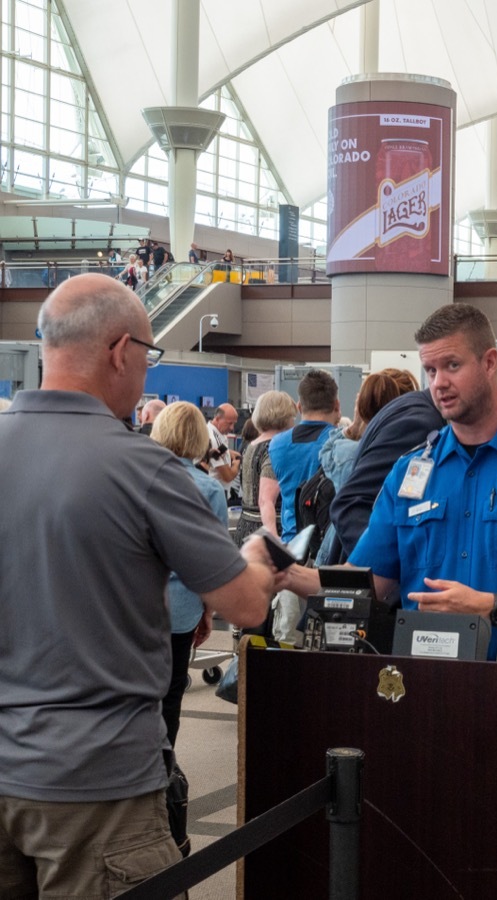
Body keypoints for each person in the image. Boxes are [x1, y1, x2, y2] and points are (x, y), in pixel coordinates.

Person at [0, 274, 277, 895]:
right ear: (121, 351)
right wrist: (261, 555)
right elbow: (244, 604)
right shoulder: (142, 466)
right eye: (149, 355)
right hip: (98, 784)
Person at [282, 303, 497, 656]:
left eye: (452, 366)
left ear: (489, 363)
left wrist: (493, 605)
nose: (439, 383)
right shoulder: (410, 472)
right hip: (423, 683)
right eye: (430, 370)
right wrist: (288, 575)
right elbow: (371, 582)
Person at [150, 401, 229, 748]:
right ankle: (162, 779)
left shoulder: (131, 477)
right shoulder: (209, 489)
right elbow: (212, 564)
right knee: (170, 696)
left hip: (127, 607)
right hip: (181, 609)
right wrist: (207, 612)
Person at [314, 369, 418, 566]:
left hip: (340, 550)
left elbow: (327, 450)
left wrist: (356, 423)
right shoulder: (412, 453)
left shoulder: (348, 454)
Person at [268, 370, 341, 639]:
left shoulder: (277, 445)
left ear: (299, 406)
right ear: (337, 405)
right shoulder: (340, 443)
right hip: (330, 552)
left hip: (292, 548)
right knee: (330, 637)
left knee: (289, 637)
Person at [233, 390, 296, 545]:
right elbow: (265, 500)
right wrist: (274, 539)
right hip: (267, 529)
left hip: (246, 526)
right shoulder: (274, 448)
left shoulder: (251, 446)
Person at [205, 402, 242, 491]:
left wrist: (229, 453)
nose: (232, 428)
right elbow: (227, 476)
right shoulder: (213, 439)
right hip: (216, 491)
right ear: (217, 419)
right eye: (229, 423)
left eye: (234, 423)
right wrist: (236, 465)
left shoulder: (218, 432)